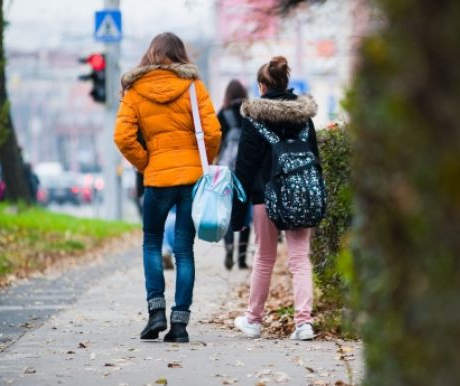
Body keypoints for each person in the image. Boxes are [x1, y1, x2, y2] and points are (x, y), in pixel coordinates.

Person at [114, 32, 221, 343]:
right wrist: (202, 163)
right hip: (191, 181)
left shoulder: (134, 90)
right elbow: (213, 132)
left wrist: (147, 162)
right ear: (180, 54)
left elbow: (122, 137)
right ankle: (180, 324)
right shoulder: (193, 87)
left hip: (158, 179)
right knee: (185, 251)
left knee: (151, 243)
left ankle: (155, 312)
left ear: (151, 54)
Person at [231, 56, 319, 340]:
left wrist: (236, 214)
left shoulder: (254, 118)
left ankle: (254, 321)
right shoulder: (303, 116)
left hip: (263, 197)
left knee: (264, 258)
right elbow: (314, 159)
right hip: (299, 195)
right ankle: (304, 323)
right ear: (286, 83)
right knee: (300, 259)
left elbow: (243, 169)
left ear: (262, 86)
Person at [217, 79, 251, 270]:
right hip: (245, 168)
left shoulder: (223, 113)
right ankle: (243, 257)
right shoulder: (250, 113)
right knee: (244, 211)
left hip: (226, 167)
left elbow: (215, 139)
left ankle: (229, 246)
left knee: (227, 211)